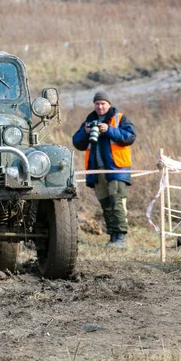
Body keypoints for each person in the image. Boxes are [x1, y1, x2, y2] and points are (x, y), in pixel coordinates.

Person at [72, 92, 136, 248]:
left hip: (116, 168)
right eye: (97, 104)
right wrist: (86, 132)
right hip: (97, 171)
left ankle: (120, 237)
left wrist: (109, 129)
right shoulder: (89, 121)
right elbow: (76, 142)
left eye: (103, 103)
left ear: (109, 104)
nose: (100, 106)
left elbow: (130, 137)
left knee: (117, 201)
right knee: (106, 203)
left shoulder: (119, 118)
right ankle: (113, 237)